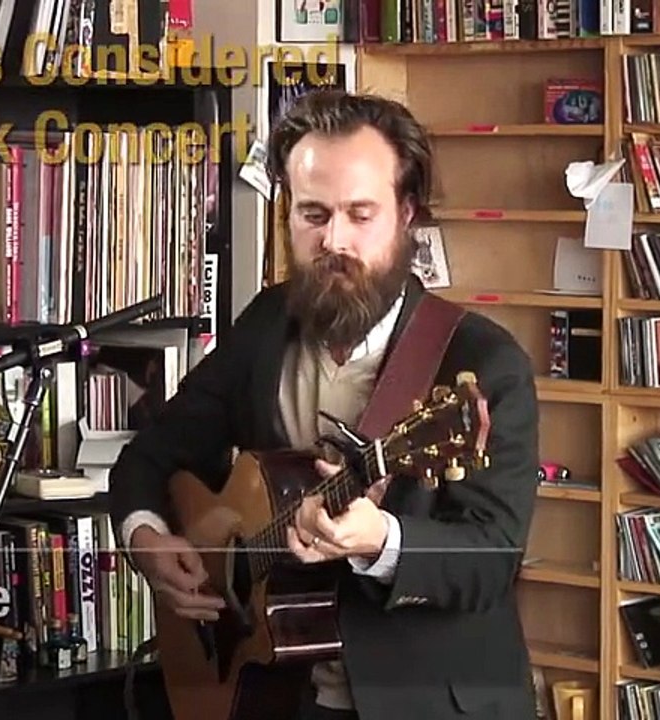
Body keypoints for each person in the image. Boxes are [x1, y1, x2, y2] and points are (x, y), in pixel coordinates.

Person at [110, 89, 540, 720]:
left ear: (407, 215)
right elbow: (151, 454)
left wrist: (382, 541)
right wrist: (146, 539)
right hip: (272, 690)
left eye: (359, 215)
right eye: (312, 214)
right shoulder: (265, 326)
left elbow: (494, 555)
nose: (333, 240)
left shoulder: (481, 363)